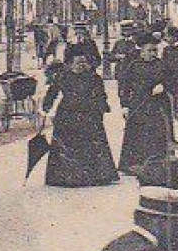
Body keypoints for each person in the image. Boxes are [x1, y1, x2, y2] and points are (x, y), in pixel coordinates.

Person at [41, 51, 120, 188]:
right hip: (67, 115)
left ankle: (96, 176)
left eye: (84, 62)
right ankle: (67, 178)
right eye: (78, 63)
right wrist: (46, 107)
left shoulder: (94, 78)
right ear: (70, 64)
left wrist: (102, 107)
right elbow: (52, 93)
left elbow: (101, 94)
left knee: (92, 145)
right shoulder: (62, 77)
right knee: (67, 147)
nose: (82, 66)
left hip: (89, 114)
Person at [118, 31, 177, 186]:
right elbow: (124, 86)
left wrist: (164, 85)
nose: (152, 54)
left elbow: (175, 80)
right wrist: (124, 105)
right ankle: (134, 164)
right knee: (137, 133)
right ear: (142, 51)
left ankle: (157, 162)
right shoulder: (133, 66)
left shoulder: (162, 65)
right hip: (139, 104)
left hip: (158, 105)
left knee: (158, 131)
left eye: (154, 51)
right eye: (149, 50)